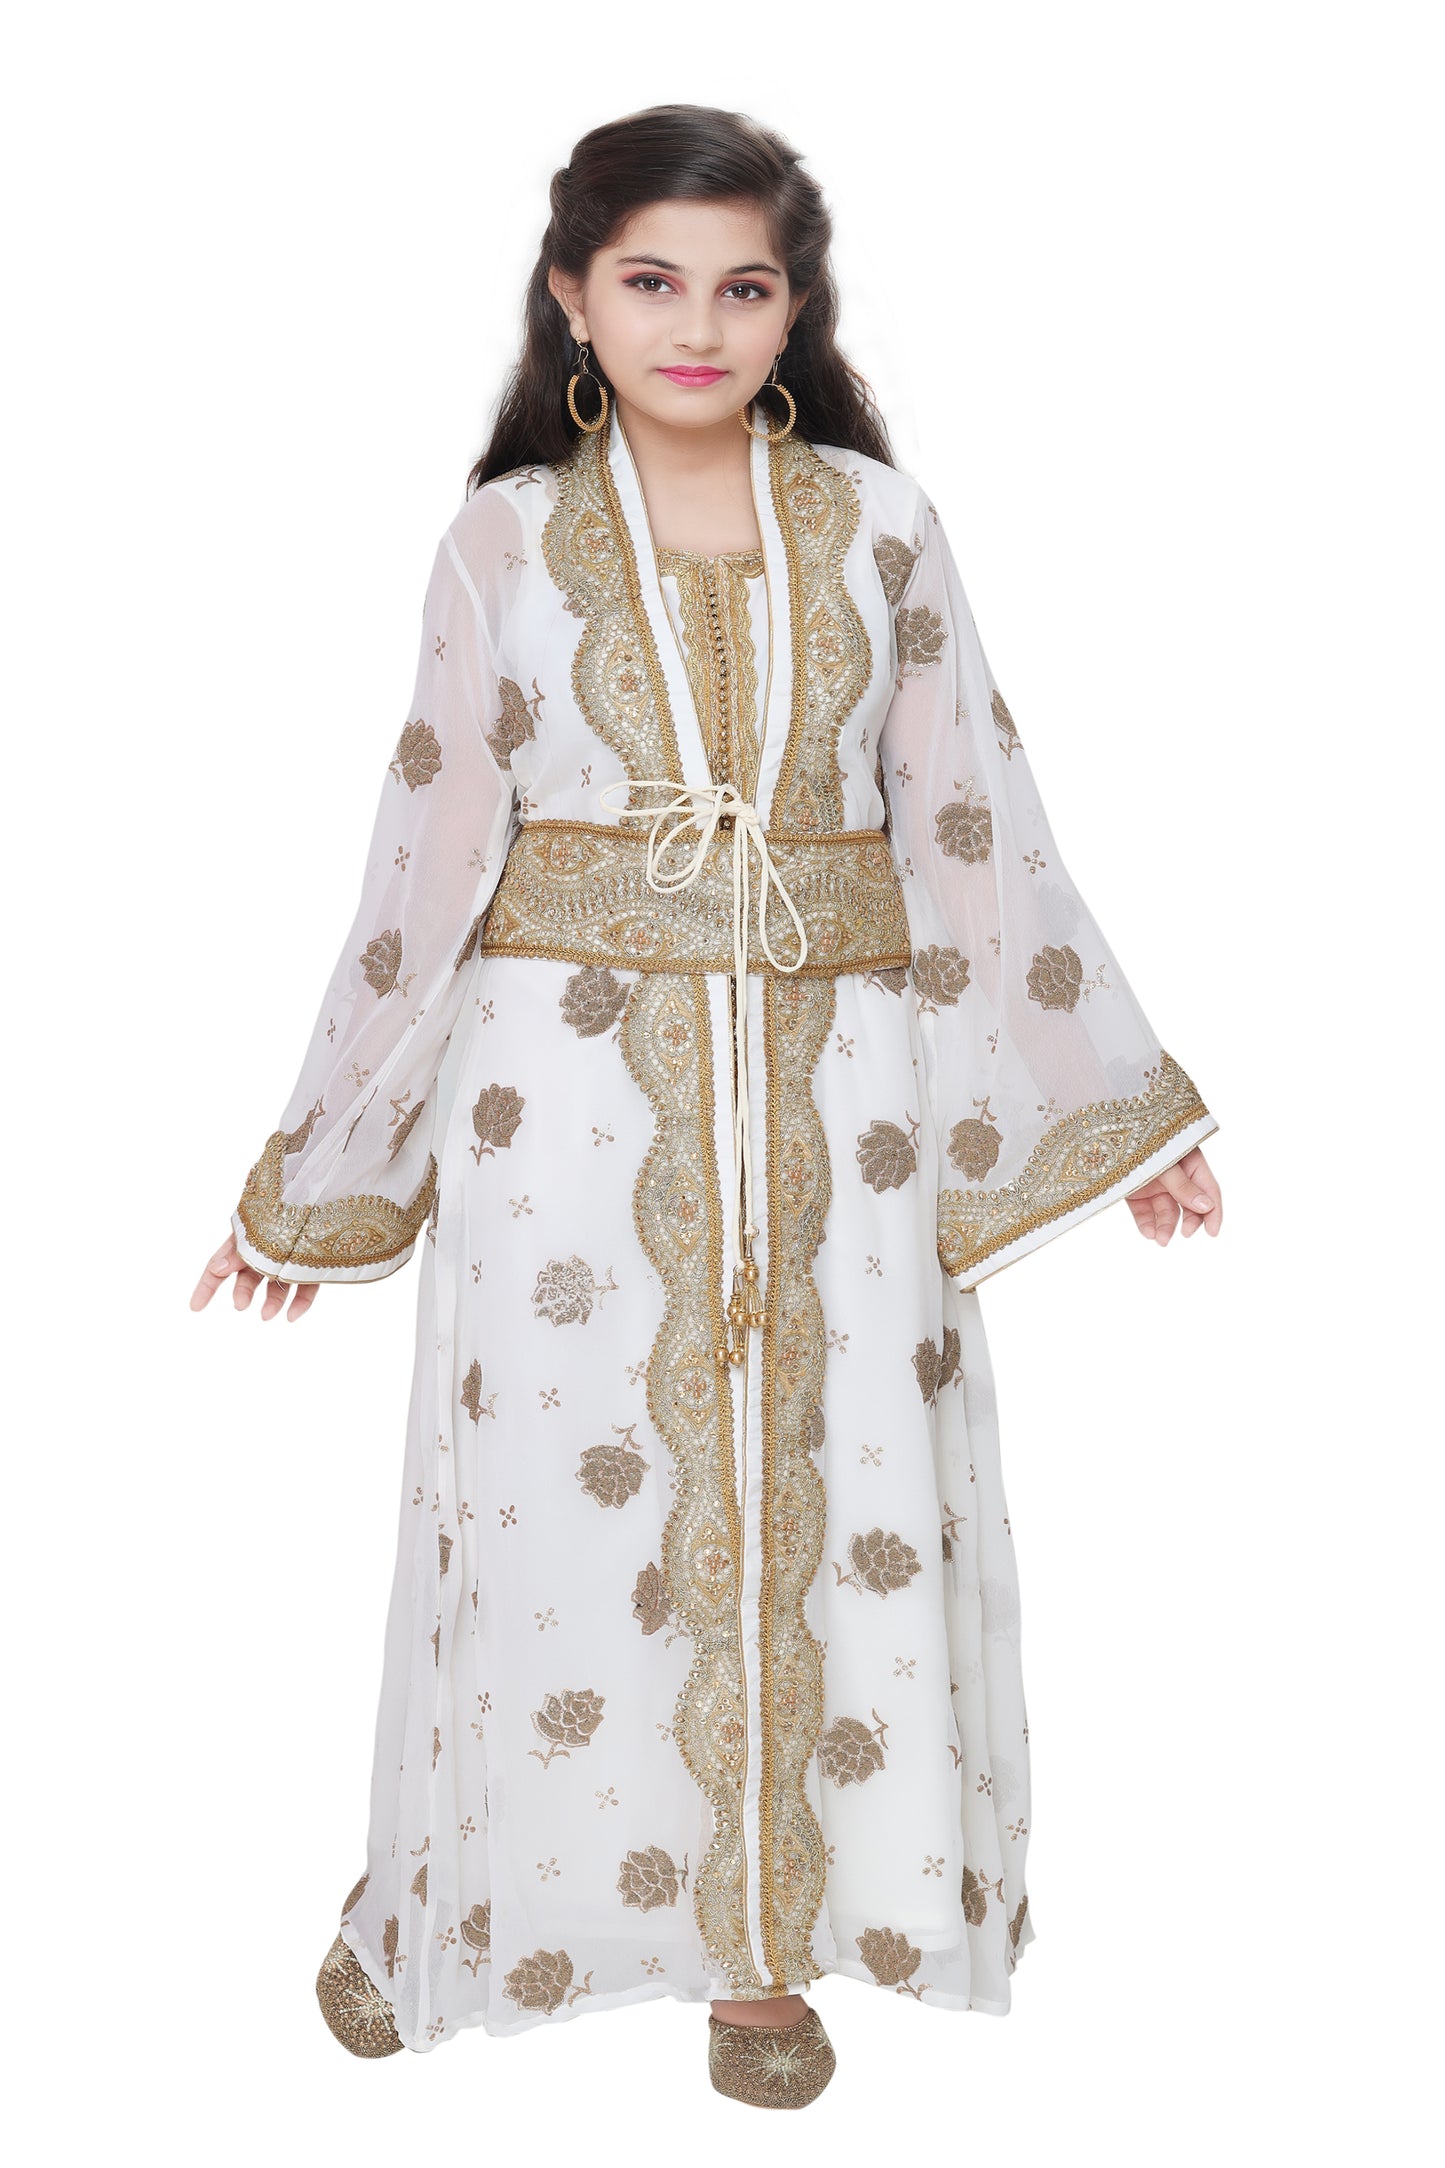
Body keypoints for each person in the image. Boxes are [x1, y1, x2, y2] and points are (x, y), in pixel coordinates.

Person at [191, 103, 1223, 2110]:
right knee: (555, 1513)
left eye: (743, 287)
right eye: (651, 281)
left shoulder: (884, 527)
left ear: (792, 308)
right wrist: (319, 1162)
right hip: (557, 1102)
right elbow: (427, 858)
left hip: (846, 1092)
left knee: (835, 1491)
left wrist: (1121, 1105)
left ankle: (762, 1954)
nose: (697, 324)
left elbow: (974, 825)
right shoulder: (505, 541)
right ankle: (450, 1894)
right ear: (572, 298)